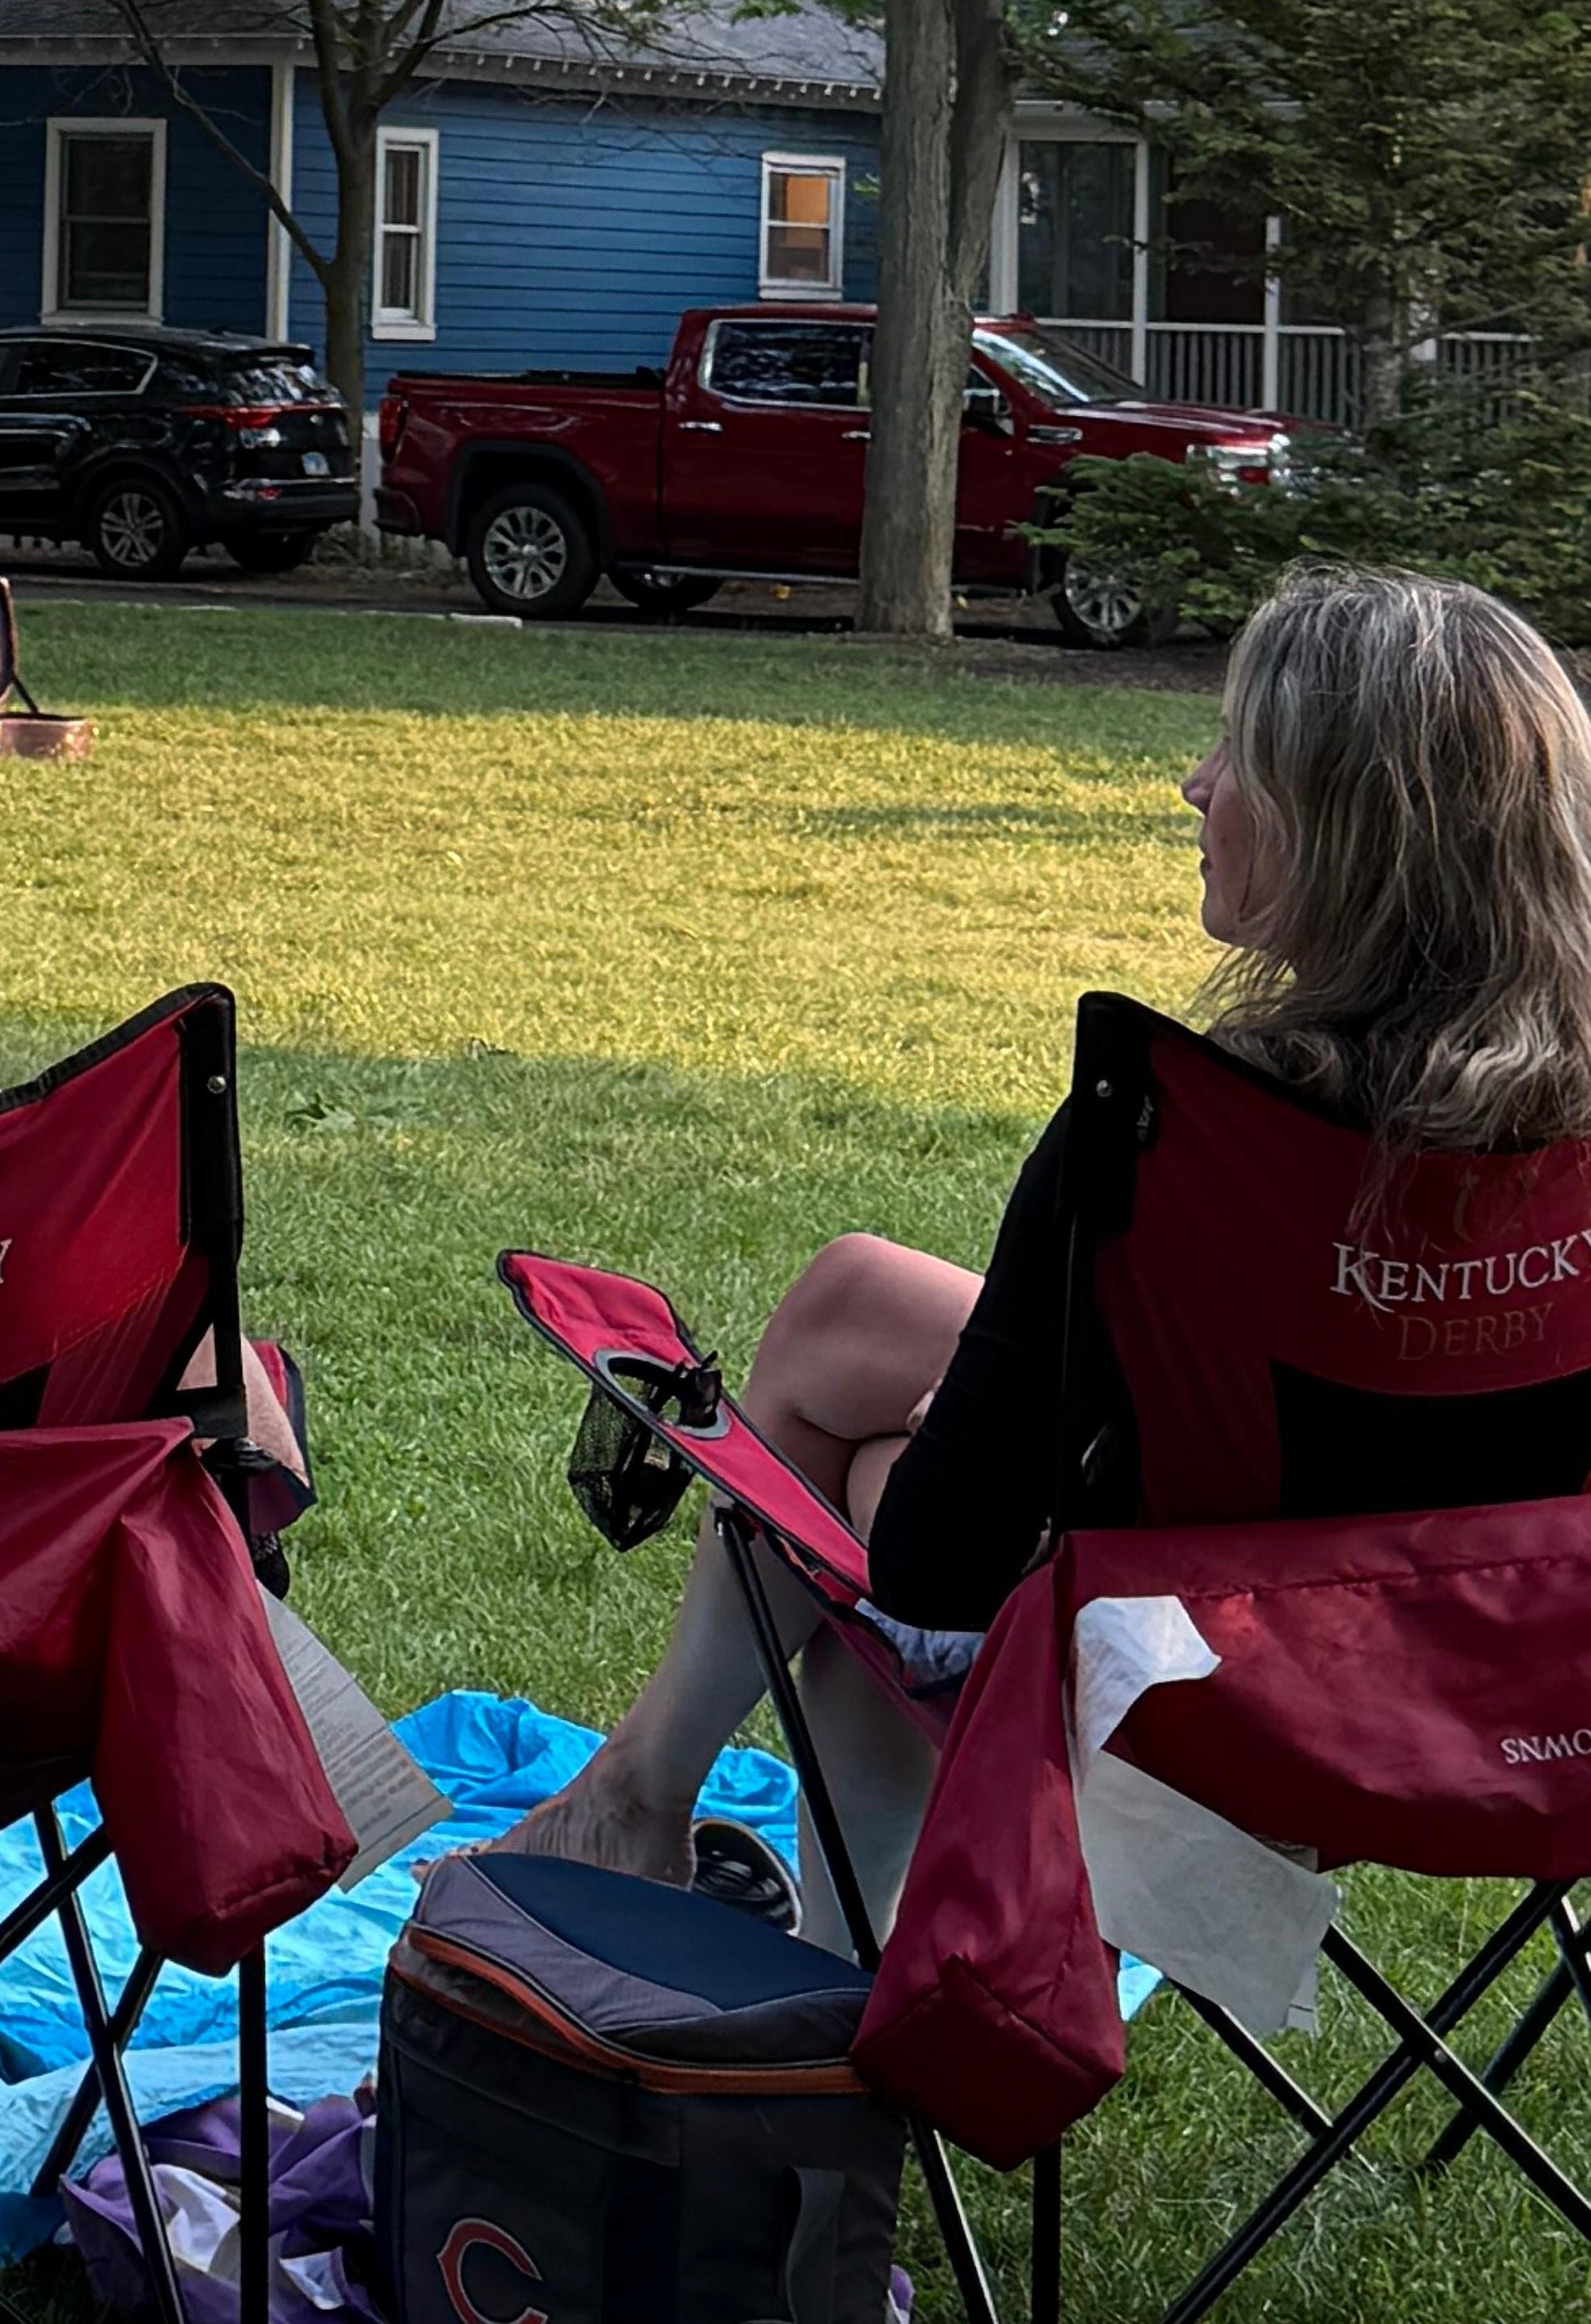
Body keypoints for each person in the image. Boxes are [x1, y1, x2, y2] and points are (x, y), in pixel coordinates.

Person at [502, 562, 1591, 1938]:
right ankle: (655, 1818)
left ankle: (769, 1942)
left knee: (868, 1476)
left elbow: (934, 1566)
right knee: (852, 1294)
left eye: (1237, 755)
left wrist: (972, 1429)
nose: (1194, 785)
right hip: (1533, 1679)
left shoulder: (1186, 1143)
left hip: (1238, 1697)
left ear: (1340, 832)